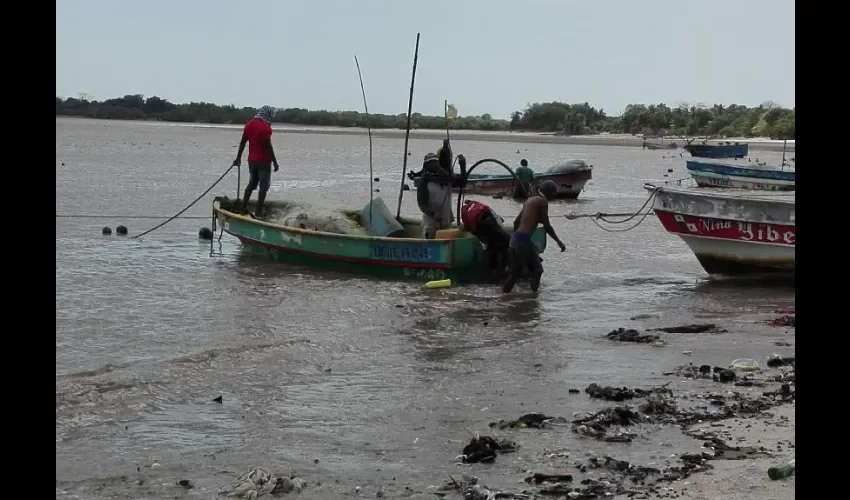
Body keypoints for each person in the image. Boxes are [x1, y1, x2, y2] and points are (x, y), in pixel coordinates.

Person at [503, 180, 566, 293]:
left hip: (517, 238)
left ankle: (504, 297)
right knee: (537, 270)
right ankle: (533, 299)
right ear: (548, 192)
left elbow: (516, 222)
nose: (553, 196)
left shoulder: (530, 200)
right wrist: (558, 241)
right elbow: (547, 226)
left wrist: (514, 239)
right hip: (523, 240)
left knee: (515, 273)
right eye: (553, 193)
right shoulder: (542, 202)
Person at [232, 105, 280, 217]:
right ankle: (258, 213)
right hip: (264, 161)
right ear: (268, 114)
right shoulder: (266, 128)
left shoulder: (249, 124)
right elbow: (268, 145)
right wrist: (275, 162)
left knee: (252, 184)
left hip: (252, 161)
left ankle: (243, 207)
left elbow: (243, 142)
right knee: (263, 187)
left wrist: (238, 158)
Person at [414, 150, 467, 239]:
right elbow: (422, 204)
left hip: (446, 221)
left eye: (435, 162)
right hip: (431, 223)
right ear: (426, 165)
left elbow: (462, 182)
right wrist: (434, 215)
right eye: (431, 162)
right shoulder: (424, 182)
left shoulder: (446, 179)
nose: (434, 164)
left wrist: (462, 165)